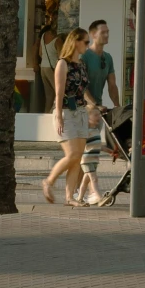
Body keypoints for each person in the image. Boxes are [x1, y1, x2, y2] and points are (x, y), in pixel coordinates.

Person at [43, 28, 98, 207]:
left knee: (78, 156)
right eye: (85, 42)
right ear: (75, 42)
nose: (87, 45)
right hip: (66, 112)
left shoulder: (81, 64)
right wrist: (58, 115)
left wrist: (95, 105)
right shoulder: (62, 64)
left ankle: (69, 198)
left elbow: (83, 90)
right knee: (72, 154)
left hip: (81, 112)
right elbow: (58, 93)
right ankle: (48, 182)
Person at [77, 18, 119, 206]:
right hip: (84, 109)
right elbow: (81, 85)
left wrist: (117, 107)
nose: (107, 35)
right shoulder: (85, 56)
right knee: (83, 153)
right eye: (103, 32)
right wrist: (93, 104)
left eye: (108, 32)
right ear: (93, 34)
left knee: (91, 153)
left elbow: (112, 84)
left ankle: (82, 193)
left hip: (98, 111)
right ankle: (83, 191)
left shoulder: (107, 58)